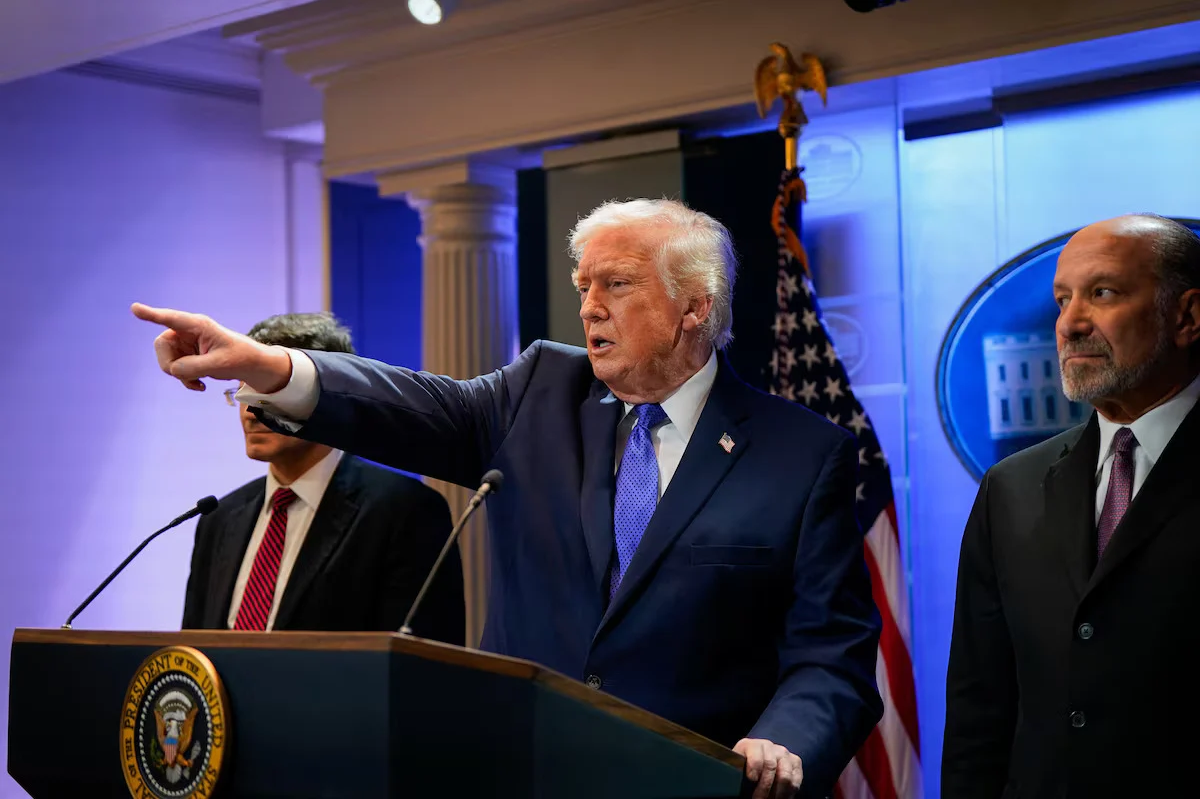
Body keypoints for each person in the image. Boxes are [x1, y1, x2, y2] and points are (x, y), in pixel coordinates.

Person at [135, 199, 882, 798]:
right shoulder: (539, 391)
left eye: (617, 285)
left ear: (694, 306)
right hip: (524, 772)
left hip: (695, 781)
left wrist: (784, 740)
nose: (590, 308)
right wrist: (265, 366)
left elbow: (831, 657)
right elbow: (410, 404)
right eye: (583, 286)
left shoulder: (801, 455)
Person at [943, 214, 1200, 798]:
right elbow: (979, 715)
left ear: (1187, 317)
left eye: (1102, 293)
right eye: (1063, 300)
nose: (1070, 324)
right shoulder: (1010, 489)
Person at [180, 312, 465, 644]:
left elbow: (418, 662)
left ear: (323, 397)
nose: (249, 412)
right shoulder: (219, 517)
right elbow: (191, 657)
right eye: (241, 390)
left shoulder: (404, 512)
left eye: (266, 390)